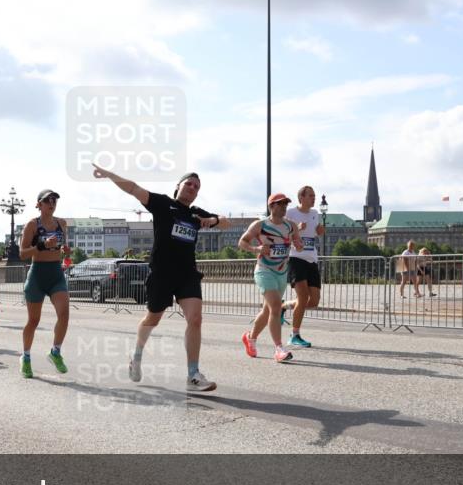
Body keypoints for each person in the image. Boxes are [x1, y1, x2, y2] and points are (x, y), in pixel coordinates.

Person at [93, 166, 230, 392]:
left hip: (187, 273)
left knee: (195, 319)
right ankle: (136, 356)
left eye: (196, 187)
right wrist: (109, 175)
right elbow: (133, 188)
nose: (192, 188)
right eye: (189, 184)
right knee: (152, 319)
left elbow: (226, 222)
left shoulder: (196, 213)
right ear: (178, 187)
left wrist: (212, 220)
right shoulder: (163, 203)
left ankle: (193, 374)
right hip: (162, 273)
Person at [240, 193, 304, 363]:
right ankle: (279, 349)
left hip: (281, 272)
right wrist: (257, 249)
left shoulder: (291, 226)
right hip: (264, 270)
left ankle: (250, 338)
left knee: (268, 310)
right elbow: (242, 242)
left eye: (285, 204)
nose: (284, 207)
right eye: (280, 204)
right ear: (271, 206)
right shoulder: (260, 225)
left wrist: (298, 244)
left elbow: (298, 243)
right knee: (276, 306)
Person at [19, 189, 71, 378]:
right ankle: (25, 357)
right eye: (47, 200)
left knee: (64, 314)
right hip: (37, 275)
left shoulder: (61, 223)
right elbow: (22, 253)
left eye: (54, 200)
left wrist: (66, 250)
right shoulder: (32, 225)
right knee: (34, 321)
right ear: (39, 204)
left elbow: (61, 248)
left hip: (56, 273)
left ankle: (55, 352)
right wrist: (42, 246)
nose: (52, 203)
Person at [285, 185, 325, 348]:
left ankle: (284, 306)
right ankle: (294, 335)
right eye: (310, 196)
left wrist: (320, 231)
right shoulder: (291, 213)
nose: (313, 198)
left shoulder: (315, 214)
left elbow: (315, 233)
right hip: (296, 258)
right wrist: (296, 230)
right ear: (301, 197)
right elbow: (282, 234)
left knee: (314, 301)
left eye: (314, 196)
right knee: (302, 298)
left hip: (311, 259)